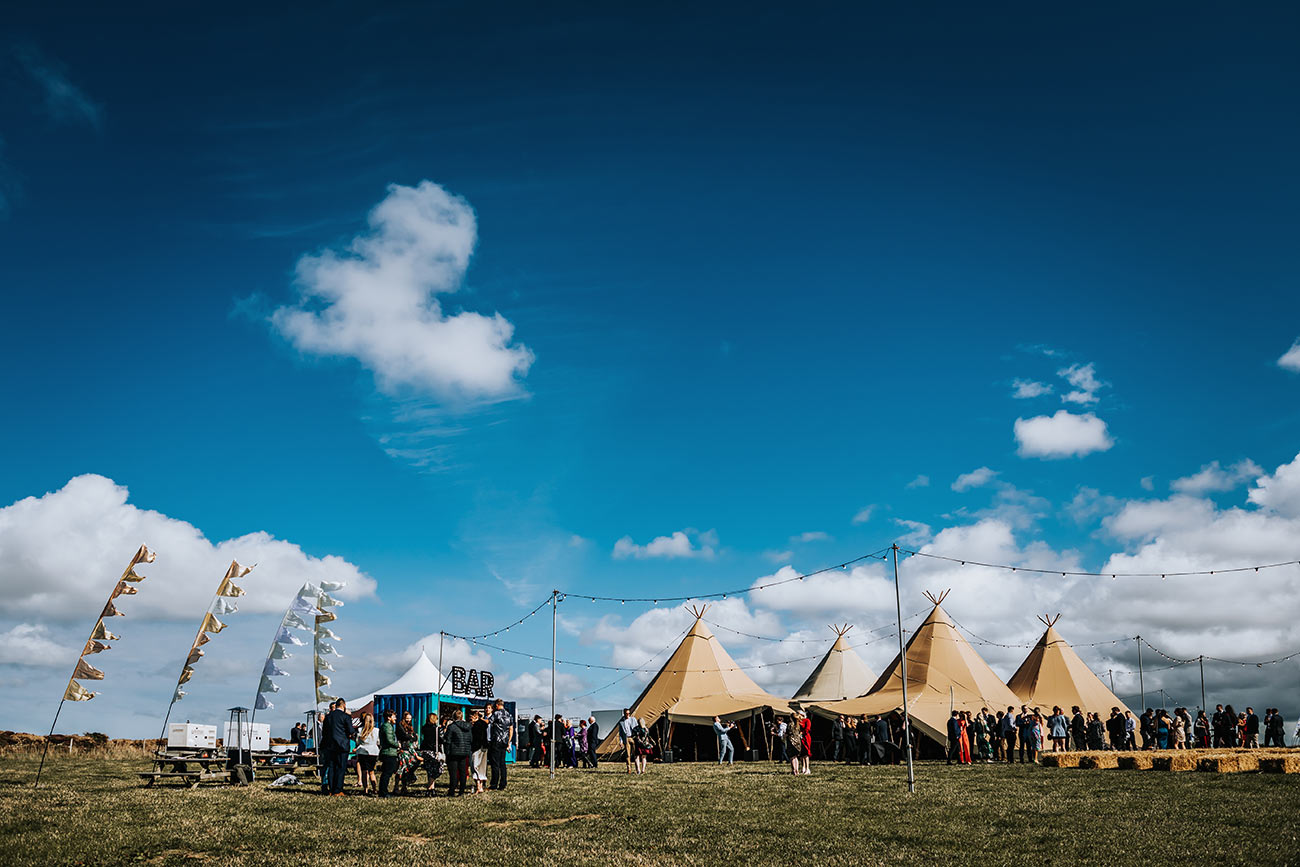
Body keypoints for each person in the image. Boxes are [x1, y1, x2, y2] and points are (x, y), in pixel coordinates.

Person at [320, 699, 351, 796]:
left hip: (330, 745)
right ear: (344, 705)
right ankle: (338, 790)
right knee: (341, 768)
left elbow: (324, 732)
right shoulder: (345, 716)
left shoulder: (328, 717)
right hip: (342, 745)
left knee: (332, 767)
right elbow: (350, 730)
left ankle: (331, 789)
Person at [442, 709, 471, 797]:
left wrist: (447, 752)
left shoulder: (451, 727)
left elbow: (447, 740)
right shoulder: (468, 727)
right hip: (464, 752)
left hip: (453, 752)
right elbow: (471, 739)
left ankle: (452, 790)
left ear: (453, 717)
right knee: (463, 772)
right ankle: (462, 791)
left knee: (453, 773)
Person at [488, 698, 513, 790]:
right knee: (502, 763)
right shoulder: (509, 715)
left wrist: (480, 719)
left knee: (495, 763)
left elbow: (488, 721)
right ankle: (503, 783)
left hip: (496, 740)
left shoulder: (496, 714)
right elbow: (511, 729)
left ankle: (494, 784)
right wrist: (508, 740)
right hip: (504, 741)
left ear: (497, 705)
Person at [377, 709, 401, 798]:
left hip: (388, 752)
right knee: (387, 773)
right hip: (389, 752)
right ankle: (383, 792)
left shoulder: (387, 726)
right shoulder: (387, 727)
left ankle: (383, 791)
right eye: (394, 716)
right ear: (388, 717)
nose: (395, 718)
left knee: (387, 772)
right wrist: (397, 745)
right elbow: (389, 740)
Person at [353, 712, 378, 795]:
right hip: (373, 752)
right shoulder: (376, 731)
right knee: (371, 771)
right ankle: (374, 789)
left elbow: (357, 741)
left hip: (362, 751)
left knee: (364, 771)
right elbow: (378, 741)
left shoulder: (360, 730)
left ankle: (365, 789)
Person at [419, 713, 441, 793]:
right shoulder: (436, 729)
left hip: (425, 750)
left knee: (430, 769)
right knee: (436, 768)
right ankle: (431, 787)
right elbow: (439, 739)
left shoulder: (424, 728)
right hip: (433, 750)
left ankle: (431, 787)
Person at [469, 708, 489, 794]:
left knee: (475, 767)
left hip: (476, 748)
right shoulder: (484, 725)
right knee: (482, 768)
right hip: (484, 747)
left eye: (471, 718)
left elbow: (474, 738)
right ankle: (481, 786)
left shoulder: (475, 726)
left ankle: (478, 786)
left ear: (475, 717)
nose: (470, 720)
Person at [618, 708, 641, 774]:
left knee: (636, 753)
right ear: (624, 714)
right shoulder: (621, 722)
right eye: (627, 714)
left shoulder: (633, 719)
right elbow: (620, 733)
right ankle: (629, 769)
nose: (628, 715)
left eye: (629, 713)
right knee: (628, 754)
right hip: (626, 738)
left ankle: (638, 769)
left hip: (633, 738)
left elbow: (637, 728)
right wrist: (621, 741)